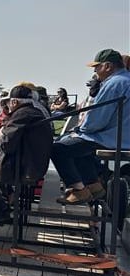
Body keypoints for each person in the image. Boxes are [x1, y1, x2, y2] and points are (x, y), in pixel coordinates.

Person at [51, 49, 130, 205]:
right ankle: (93, 185)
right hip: (121, 137)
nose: (95, 71)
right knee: (77, 145)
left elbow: (97, 118)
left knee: (57, 148)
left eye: (97, 67)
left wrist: (79, 130)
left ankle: (79, 190)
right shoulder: (125, 79)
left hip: (113, 138)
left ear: (108, 66)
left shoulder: (115, 83)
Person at [0, 85, 53, 217]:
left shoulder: (22, 113)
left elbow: (6, 144)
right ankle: (1, 202)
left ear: (14, 102)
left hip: (26, 166)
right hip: (31, 162)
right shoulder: (33, 111)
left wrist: (1, 133)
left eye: (8, 102)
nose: (7, 106)